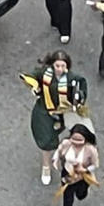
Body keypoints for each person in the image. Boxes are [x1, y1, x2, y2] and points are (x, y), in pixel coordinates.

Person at [20, 50, 89, 185]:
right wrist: (34, 85)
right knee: (46, 141)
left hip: (66, 112)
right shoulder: (45, 74)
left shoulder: (73, 79)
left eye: (63, 66)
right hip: (46, 111)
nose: (60, 69)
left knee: (78, 135)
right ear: (52, 65)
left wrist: (79, 98)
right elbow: (32, 77)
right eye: (57, 66)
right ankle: (46, 166)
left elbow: (82, 90)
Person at [52, 124, 99, 206]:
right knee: (67, 197)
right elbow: (58, 153)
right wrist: (55, 161)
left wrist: (85, 169)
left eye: (80, 140)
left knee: (81, 195)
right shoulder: (66, 144)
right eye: (74, 139)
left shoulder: (91, 149)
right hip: (68, 173)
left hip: (83, 176)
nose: (77, 143)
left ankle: (84, 191)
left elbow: (95, 164)